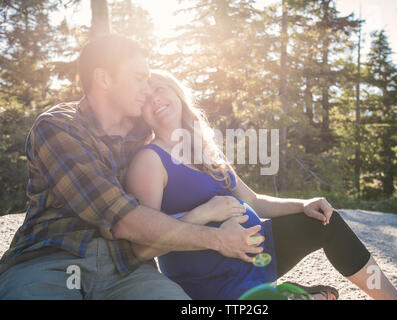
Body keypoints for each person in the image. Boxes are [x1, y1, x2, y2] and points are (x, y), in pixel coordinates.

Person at [0, 35, 265, 299]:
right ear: (104, 79)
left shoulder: (143, 131)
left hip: (126, 267)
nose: (147, 90)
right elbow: (123, 220)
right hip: (51, 259)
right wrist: (218, 238)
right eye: (139, 79)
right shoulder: (58, 127)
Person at [125, 69, 397, 300]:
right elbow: (146, 244)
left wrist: (303, 204)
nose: (154, 99)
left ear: (177, 93)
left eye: (159, 88)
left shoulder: (205, 150)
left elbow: (254, 200)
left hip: (256, 253)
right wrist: (204, 214)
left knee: (326, 222)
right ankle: (291, 296)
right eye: (145, 97)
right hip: (209, 279)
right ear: (141, 114)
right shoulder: (149, 160)